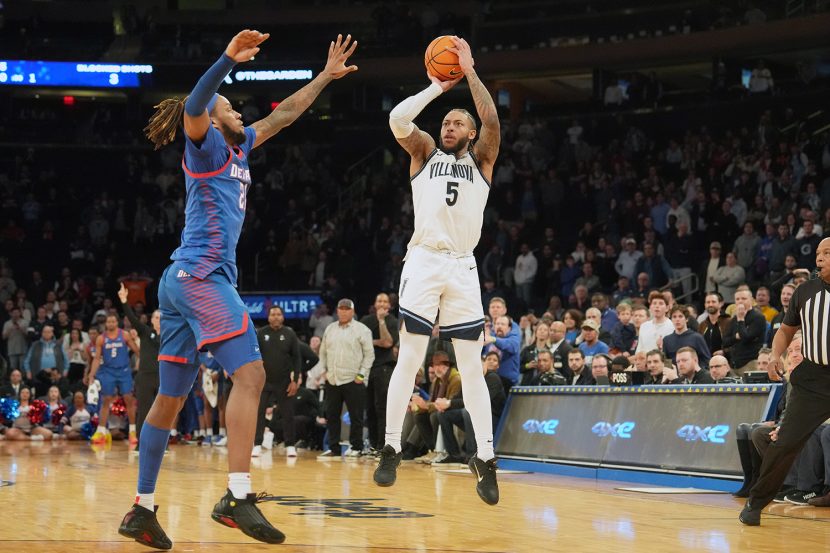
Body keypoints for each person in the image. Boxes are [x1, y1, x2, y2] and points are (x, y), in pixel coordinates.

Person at [118, 30, 359, 548]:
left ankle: (141, 507)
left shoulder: (241, 146)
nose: (240, 112)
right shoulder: (204, 146)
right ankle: (237, 495)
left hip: (178, 282)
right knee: (250, 374)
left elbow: (283, 115)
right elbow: (200, 100)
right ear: (214, 116)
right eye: (232, 107)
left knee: (170, 398)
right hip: (201, 275)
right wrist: (226, 59)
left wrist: (324, 75)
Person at [374, 36, 502, 506]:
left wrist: (469, 71)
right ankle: (390, 445)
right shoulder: (424, 152)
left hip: (463, 265)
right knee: (410, 357)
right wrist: (435, 88)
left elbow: (490, 119)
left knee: (472, 367)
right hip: (425, 259)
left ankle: (484, 458)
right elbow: (397, 120)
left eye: (457, 123)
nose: (449, 126)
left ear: (469, 135)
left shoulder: (483, 159)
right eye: (447, 122)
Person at [740, 238, 830, 526]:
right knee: (785, 443)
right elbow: (786, 330)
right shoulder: (806, 292)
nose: (820, 258)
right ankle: (756, 502)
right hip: (813, 379)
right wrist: (776, 354)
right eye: (818, 253)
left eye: (827, 253)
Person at [317, 299, 374, 458]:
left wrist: (361, 375)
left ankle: (357, 447)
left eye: (346, 309)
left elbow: (369, 355)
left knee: (356, 416)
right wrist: (324, 371)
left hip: (354, 379)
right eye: (340, 308)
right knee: (332, 415)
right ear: (337, 310)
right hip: (333, 379)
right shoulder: (330, 329)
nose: (343, 311)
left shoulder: (362, 330)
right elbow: (323, 353)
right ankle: (334, 448)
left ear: (352, 311)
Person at [253, 306, 301, 458]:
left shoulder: (289, 333)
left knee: (288, 414)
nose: (275, 317)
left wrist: (295, 380)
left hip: (284, 381)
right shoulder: (261, 333)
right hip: (264, 382)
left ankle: (290, 445)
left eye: (278, 314)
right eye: (272, 314)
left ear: (283, 317)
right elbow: (254, 356)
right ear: (268, 317)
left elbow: (297, 358)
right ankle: (257, 444)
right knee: (259, 413)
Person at [86, 314, 139, 445]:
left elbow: (137, 351)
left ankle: (132, 432)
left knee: (129, 399)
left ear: (117, 322)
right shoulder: (101, 338)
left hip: (124, 371)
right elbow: (97, 358)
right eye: (108, 321)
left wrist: (143, 362)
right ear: (106, 324)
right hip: (108, 371)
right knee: (106, 400)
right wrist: (91, 374)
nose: (110, 323)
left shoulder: (125, 335)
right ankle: (101, 432)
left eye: (113, 321)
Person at [118, 283, 160, 445]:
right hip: (144, 377)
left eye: (161, 318)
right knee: (144, 410)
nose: (158, 320)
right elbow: (132, 318)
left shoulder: (169, 336)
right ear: (151, 320)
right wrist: (124, 300)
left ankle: (161, 443)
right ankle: (141, 444)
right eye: (156, 317)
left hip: (161, 377)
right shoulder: (144, 331)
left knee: (162, 412)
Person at [360, 293, 399, 453]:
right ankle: (373, 444)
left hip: (384, 368)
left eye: (385, 301)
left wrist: (382, 321)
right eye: (379, 301)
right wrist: (377, 342)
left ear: (389, 305)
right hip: (367, 368)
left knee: (381, 407)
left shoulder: (393, 321)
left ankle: (383, 444)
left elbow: (388, 342)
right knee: (369, 408)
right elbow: (359, 342)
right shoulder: (366, 321)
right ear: (375, 304)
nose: (382, 304)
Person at [722, 287, 766, 375]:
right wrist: (736, 337)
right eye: (737, 299)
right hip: (734, 363)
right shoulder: (734, 319)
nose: (740, 301)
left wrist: (741, 320)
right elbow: (725, 342)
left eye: (744, 298)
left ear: (752, 300)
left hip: (750, 363)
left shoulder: (758, 317)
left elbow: (746, 338)